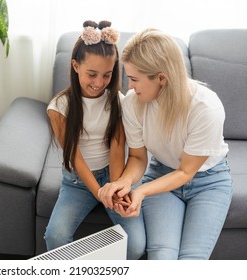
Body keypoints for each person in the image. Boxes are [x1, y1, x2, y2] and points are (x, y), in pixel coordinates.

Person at [98, 28, 233, 260]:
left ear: (161, 77)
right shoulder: (133, 103)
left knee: (191, 261)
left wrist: (140, 191)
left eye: (134, 79)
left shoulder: (205, 107)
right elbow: (138, 158)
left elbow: (185, 171)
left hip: (208, 182)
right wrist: (124, 182)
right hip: (161, 175)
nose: (129, 86)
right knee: (162, 258)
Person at [44, 20, 146, 260]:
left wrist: (114, 188)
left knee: (136, 245)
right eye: (92, 74)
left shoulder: (120, 102)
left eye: (107, 75)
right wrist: (99, 192)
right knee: (55, 236)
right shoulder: (59, 108)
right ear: (75, 66)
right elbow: (74, 156)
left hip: (113, 175)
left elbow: (117, 148)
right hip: (77, 182)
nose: (99, 82)